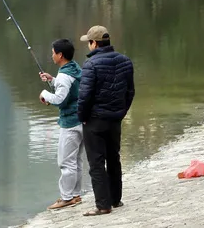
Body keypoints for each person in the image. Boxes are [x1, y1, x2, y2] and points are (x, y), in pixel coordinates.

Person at [77, 25, 135, 217]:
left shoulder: (91, 65)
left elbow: (84, 96)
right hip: (115, 120)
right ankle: (115, 199)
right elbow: (130, 92)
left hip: (95, 121)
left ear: (95, 43)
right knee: (114, 158)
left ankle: (103, 205)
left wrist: (82, 118)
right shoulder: (125, 61)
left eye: (89, 42)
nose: (88, 46)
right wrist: (121, 112)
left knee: (96, 162)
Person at [38, 39, 84, 210]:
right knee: (76, 161)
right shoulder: (74, 68)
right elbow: (69, 88)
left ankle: (66, 197)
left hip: (71, 124)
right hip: (81, 120)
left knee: (66, 162)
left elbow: (60, 99)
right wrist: (52, 81)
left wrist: (44, 93)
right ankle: (76, 194)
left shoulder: (65, 75)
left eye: (53, 52)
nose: (52, 55)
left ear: (60, 55)